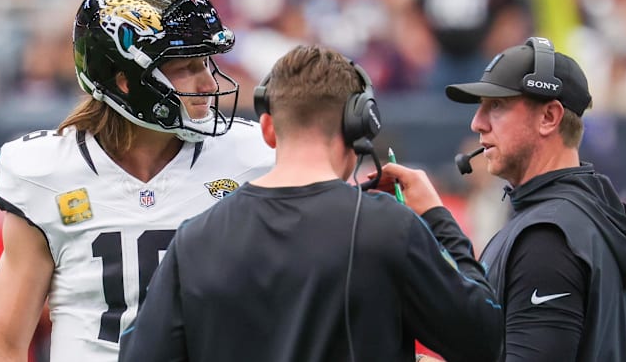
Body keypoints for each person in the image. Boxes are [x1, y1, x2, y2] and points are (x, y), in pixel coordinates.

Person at [117, 44, 503, 362]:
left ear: (268, 128)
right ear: (359, 126)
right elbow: (484, 339)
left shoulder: (195, 238)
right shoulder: (388, 229)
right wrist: (437, 218)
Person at [0, 0, 273, 362]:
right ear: (126, 80)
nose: (209, 83)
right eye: (186, 66)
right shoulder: (45, 173)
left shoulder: (253, 158)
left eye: (207, 63)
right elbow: (5, 341)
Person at [393, 36, 626, 361]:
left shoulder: (549, 237)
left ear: (549, 117)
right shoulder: (567, 218)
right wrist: (436, 217)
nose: (477, 123)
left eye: (496, 106)